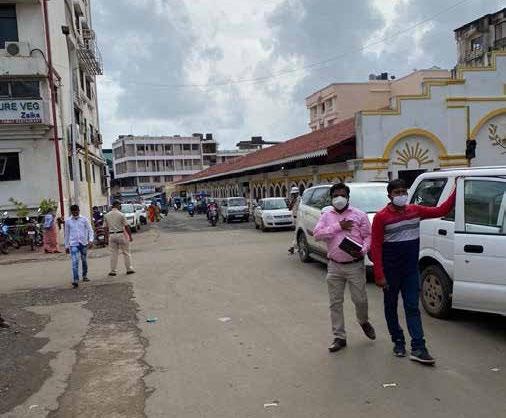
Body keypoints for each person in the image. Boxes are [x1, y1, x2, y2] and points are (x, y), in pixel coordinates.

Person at [371, 178, 456, 365]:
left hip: (410, 270)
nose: (401, 195)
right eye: (397, 193)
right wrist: (379, 274)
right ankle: (398, 341)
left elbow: (441, 210)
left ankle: (419, 347)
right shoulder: (381, 217)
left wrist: (457, 189)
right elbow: (375, 246)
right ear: (389, 196)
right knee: (391, 307)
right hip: (390, 272)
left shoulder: (415, 211)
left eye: (404, 192)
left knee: (412, 307)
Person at [314, 183, 376, 352]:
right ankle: (339, 337)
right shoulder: (326, 216)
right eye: (335, 196)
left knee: (360, 300)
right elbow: (317, 234)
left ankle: (363, 321)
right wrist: (338, 227)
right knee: (335, 303)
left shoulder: (359, 215)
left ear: (348, 197)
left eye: (342, 195)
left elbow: (368, 236)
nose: (339, 198)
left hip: (355, 265)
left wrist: (363, 250)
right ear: (331, 198)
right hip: (334, 265)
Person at [64, 205, 94, 289]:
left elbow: (90, 230)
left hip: (83, 243)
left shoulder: (84, 219)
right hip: (73, 244)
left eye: (76, 211)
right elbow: (66, 234)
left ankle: (84, 275)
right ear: (71, 212)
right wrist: (66, 246)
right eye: (73, 212)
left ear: (79, 210)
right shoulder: (68, 221)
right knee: (75, 262)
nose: (75, 213)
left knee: (84, 260)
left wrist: (91, 240)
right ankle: (75, 280)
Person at [104, 201, 135, 276]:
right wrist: (130, 236)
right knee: (126, 252)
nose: (121, 206)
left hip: (112, 235)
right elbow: (127, 226)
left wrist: (106, 238)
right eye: (120, 205)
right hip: (121, 234)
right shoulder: (121, 214)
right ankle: (129, 269)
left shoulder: (106, 215)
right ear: (117, 205)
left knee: (113, 254)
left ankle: (113, 271)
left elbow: (105, 228)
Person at [287, 187, 301, 254]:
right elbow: (289, 208)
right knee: (296, 233)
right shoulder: (293, 200)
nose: (293, 195)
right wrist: (292, 202)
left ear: (297, 193)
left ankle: (293, 247)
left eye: (294, 194)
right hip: (294, 218)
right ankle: (297, 247)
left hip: (299, 218)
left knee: (296, 233)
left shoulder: (300, 200)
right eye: (292, 194)